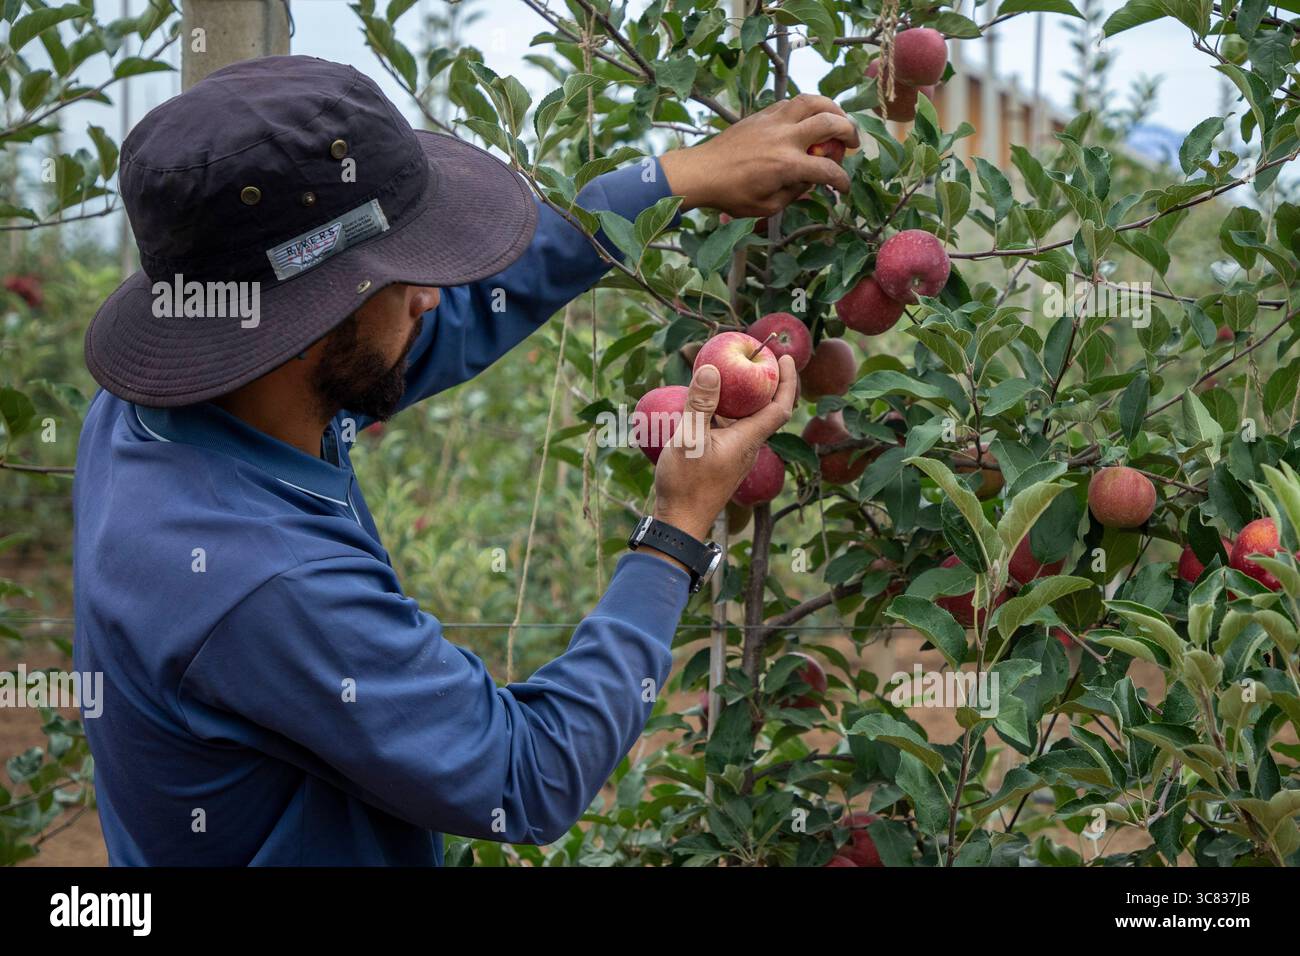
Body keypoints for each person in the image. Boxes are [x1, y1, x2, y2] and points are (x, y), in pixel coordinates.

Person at [73, 55, 858, 865]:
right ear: (304, 324)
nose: (431, 294)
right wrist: (676, 528)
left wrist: (671, 180)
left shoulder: (178, 405)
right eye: (403, 274)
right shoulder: (260, 583)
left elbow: (446, 324)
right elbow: (526, 773)